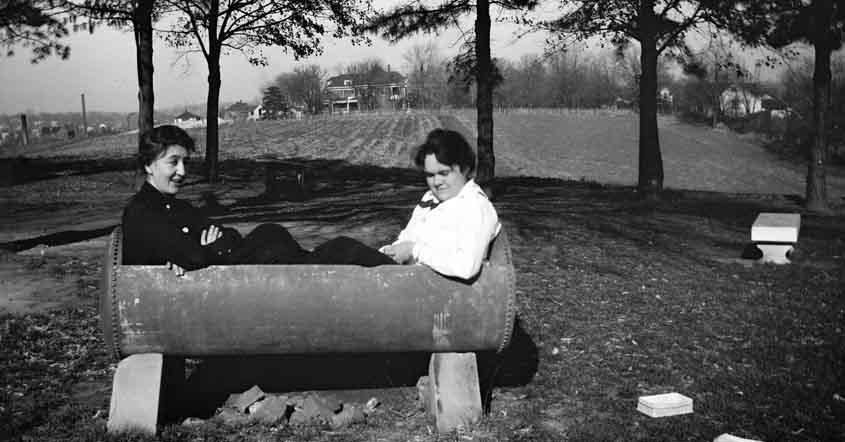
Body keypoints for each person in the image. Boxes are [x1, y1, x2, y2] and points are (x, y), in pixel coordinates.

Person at [121, 125, 393, 275]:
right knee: (342, 249)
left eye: (185, 162)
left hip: (235, 272)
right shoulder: (143, 212)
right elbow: (192, 256)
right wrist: (204, 249)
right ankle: (404, 279)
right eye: (173, 162)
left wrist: (208, 247)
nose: (182, 172)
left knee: (270, 231)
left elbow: (226, 236)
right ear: (148, 165)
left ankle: (394, 275)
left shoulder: (178, 207)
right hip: (227, 289)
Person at [380, 128, 500, 280]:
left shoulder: (475, 206)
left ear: (465, 169)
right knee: (345, 249)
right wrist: (390, 251)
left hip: (435, 290)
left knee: (345, 251)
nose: (436, 182)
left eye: (444, 173)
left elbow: (466, 267)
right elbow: (407, 238)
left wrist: (414, 250)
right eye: (430, 175)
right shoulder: (430, 198)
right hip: (404, 277)